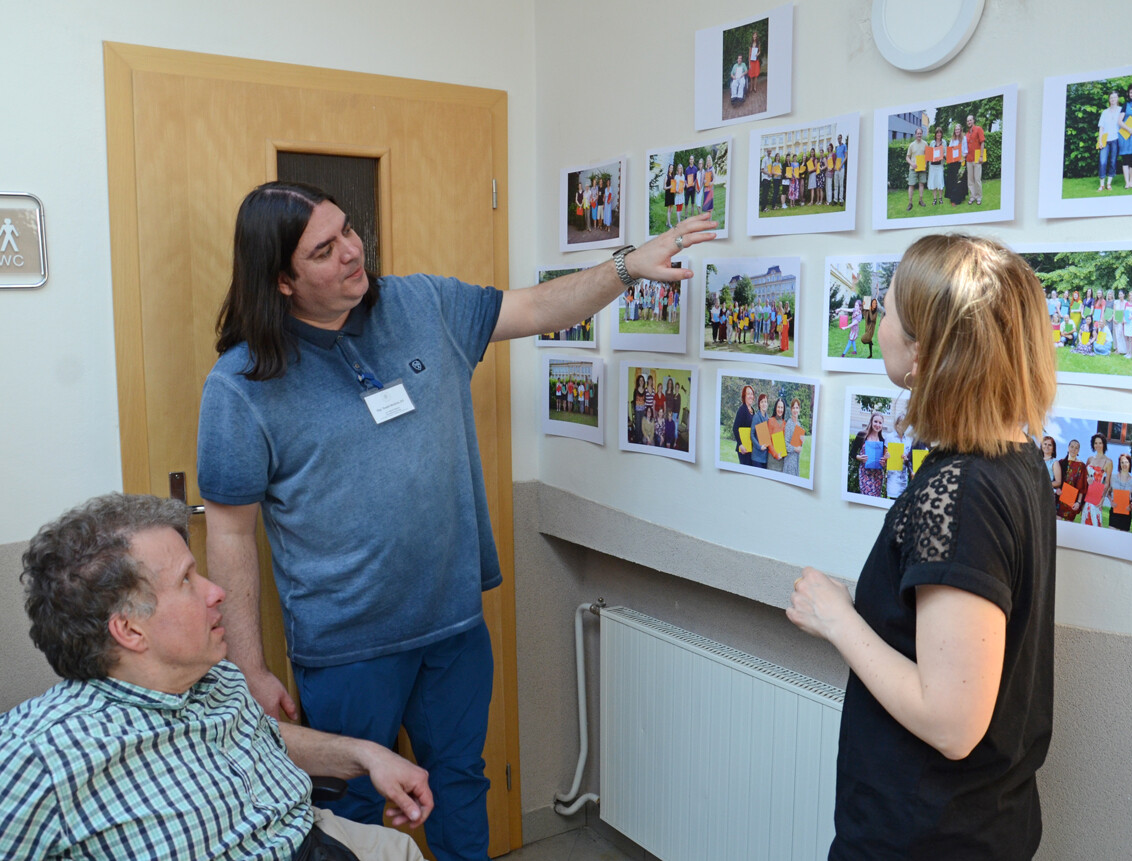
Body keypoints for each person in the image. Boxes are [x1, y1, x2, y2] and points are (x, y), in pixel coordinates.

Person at [196, 182, 715, 861]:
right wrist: (248, 668)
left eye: (347, 229)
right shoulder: (241, 384)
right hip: (346, 647)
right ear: (282, 281)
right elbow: (230, 531)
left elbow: (537, 306)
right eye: (323, 250)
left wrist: (627, 266)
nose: (352, 250)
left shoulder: (422, 304)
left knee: (461, 783)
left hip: (453, 624)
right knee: (349, 805)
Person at [787, 233, 1057, 860]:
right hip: (977, 822)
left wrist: (835, 618)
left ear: (923, 350)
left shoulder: (963, 491)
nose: (878, 325)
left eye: (886, 312)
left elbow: (952, 723)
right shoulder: (1015, 458)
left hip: (926, 835)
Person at [0, 493, 433, 861]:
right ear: (130, 630)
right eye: (187, 580)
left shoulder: (214, 675)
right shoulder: (38, 756)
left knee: (399, 848)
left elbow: (269, 737)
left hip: (310, 836)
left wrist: (367, 755)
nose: (216, 591)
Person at [1082, 433, 1113, 527]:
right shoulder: (1090, 459)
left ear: (1104, 444)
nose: (1098, 445)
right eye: (1096, 443)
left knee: (1095, 521)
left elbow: (1107, 483)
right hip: (1087, 494)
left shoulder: (1108, 462)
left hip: (1097, 495)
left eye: (1100, 443)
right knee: (1085, 520)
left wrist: (1102, 498)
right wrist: (1087, 479)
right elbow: (1084, 476)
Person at [855, 411, 887, 497]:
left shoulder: (882, 440)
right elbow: (852, 453)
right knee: (867, 496)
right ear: (871, 421)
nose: (877, 425)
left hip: (878, 475)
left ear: (882, 425)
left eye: (880, 423)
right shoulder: (861, 435)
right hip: (865, 473)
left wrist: (883, 462)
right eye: (875, 421)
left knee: (876, 498)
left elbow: (884, 461)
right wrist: (859, 457)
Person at [1057, 438, 1087, 522]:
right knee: (1057, 525)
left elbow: (1082, 486)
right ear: (1068, 447)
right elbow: (1056, 480)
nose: (1073, 449)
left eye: (1076, 448)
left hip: (1072, 500)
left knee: (1068, 526)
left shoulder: (1081, 466)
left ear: (1078, 450)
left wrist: (1078, 502)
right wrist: (1057, 489)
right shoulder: (1061, 462)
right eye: (1072, 447)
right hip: (1059, 499)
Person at [1097, 91, 1121, 191]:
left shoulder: (1121, 110)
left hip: (1116, 139)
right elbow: (1101, 127)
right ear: (1109, 99)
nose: (1113, 99)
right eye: (1111, 98)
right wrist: (1100, 141)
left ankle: (1109, 183)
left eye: (1115, 97)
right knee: (1102, 161)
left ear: (1117, 98)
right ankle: (1102, 184)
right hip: (1105, 139)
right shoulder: (1105, 112)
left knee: (1113, 161)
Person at [1108, 453, 1132, 532]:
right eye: (1122, 462)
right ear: (1119, 464)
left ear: (1130, 464)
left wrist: (1131, 506)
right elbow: (1108, 492)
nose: (1124, 464)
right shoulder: (1113, 477)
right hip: (1114, 510)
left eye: (1126, 462)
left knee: (1123, 537)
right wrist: (1111, 501)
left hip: (1126, 513)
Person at [945, 121, 967, 205]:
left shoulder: (964, 139)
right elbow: (950, 149)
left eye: (958, 129)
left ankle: (958, 199)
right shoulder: (952, 139)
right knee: (953, 181)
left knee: (960, 181)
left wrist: (963, 158)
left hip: (960, 162)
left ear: (961, 130)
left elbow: (966, 151)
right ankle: (953, 197)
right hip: (953, 162)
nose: (957, 131)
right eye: (956, 129)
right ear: (954, 131)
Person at [733, 384, 755, 466]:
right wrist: (740, 445)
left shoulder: (752, 410)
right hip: (743, 449)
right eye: (748, 394)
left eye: (752, 394)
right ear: (744, 396)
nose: (750, 396)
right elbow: (735, 428)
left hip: (750, 447)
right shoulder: (742, 409)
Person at [965, 113, 986, 205]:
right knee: (970, 180)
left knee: (977, 179)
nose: (969, 122)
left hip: (977, 159)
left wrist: (981, 156)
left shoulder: (978, 129)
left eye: (970, 120)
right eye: (967, 121)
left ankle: (979, 197)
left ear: (973, 120)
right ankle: (972, 196)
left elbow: (982, 143)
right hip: (969, 159)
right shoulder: (966, 134)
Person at [905, 127, 927, 211]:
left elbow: (927, 156)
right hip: (913, 168)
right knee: (911, 185)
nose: (919, 135)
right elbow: (907, 157)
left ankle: (920, 201)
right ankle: (910, 203)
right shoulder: (912, 145)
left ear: (922, 134)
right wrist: (912, 163)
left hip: (922, 168)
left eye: (920, 133)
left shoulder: (925, 144)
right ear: (915, 134)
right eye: (918, 133)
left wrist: (925, 164)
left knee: (921, 184)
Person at [766, 396, 789, 471]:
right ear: (775, 408)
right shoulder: (770, 421)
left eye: (782, 407)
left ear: (784, 409)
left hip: (781, 461)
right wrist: (776, 455)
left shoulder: (785, 424)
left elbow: (786, 441)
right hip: (772, 460)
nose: (780, 409)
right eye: (778, 407)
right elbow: (768, 441)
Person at [783, 398, 805, 477]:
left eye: (797, 408)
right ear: (791, 410)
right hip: (789, 461)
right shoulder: (789, 424)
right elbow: (785, 444)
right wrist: (795, 449)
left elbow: (798, 444)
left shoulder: (798, 424)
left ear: (799, 409)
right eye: (793, 408)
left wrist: (802, 442)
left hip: (796, 460)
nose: (795, 410)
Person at [750, 392, 771, 469]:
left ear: (767, 404)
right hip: (757, 458)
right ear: (759, 404)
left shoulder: (768, 419)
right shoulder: (756, 417)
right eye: (762, 402)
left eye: (765, 402)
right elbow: (752, 434)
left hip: (765, 458)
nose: (764, 404)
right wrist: (759, 447)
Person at [927, 128, 946, 206]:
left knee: (940, 181)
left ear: (941, 134)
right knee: (934, 181)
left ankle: (940, 198)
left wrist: (943, 155)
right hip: (932, 166)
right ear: (935, 134)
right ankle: (935, 199)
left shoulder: (944, 142)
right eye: (937, 133)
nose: (939, 134)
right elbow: (929, 154)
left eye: (940, 133)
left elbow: (946, 153)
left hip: (940, 165)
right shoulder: (932, 143)